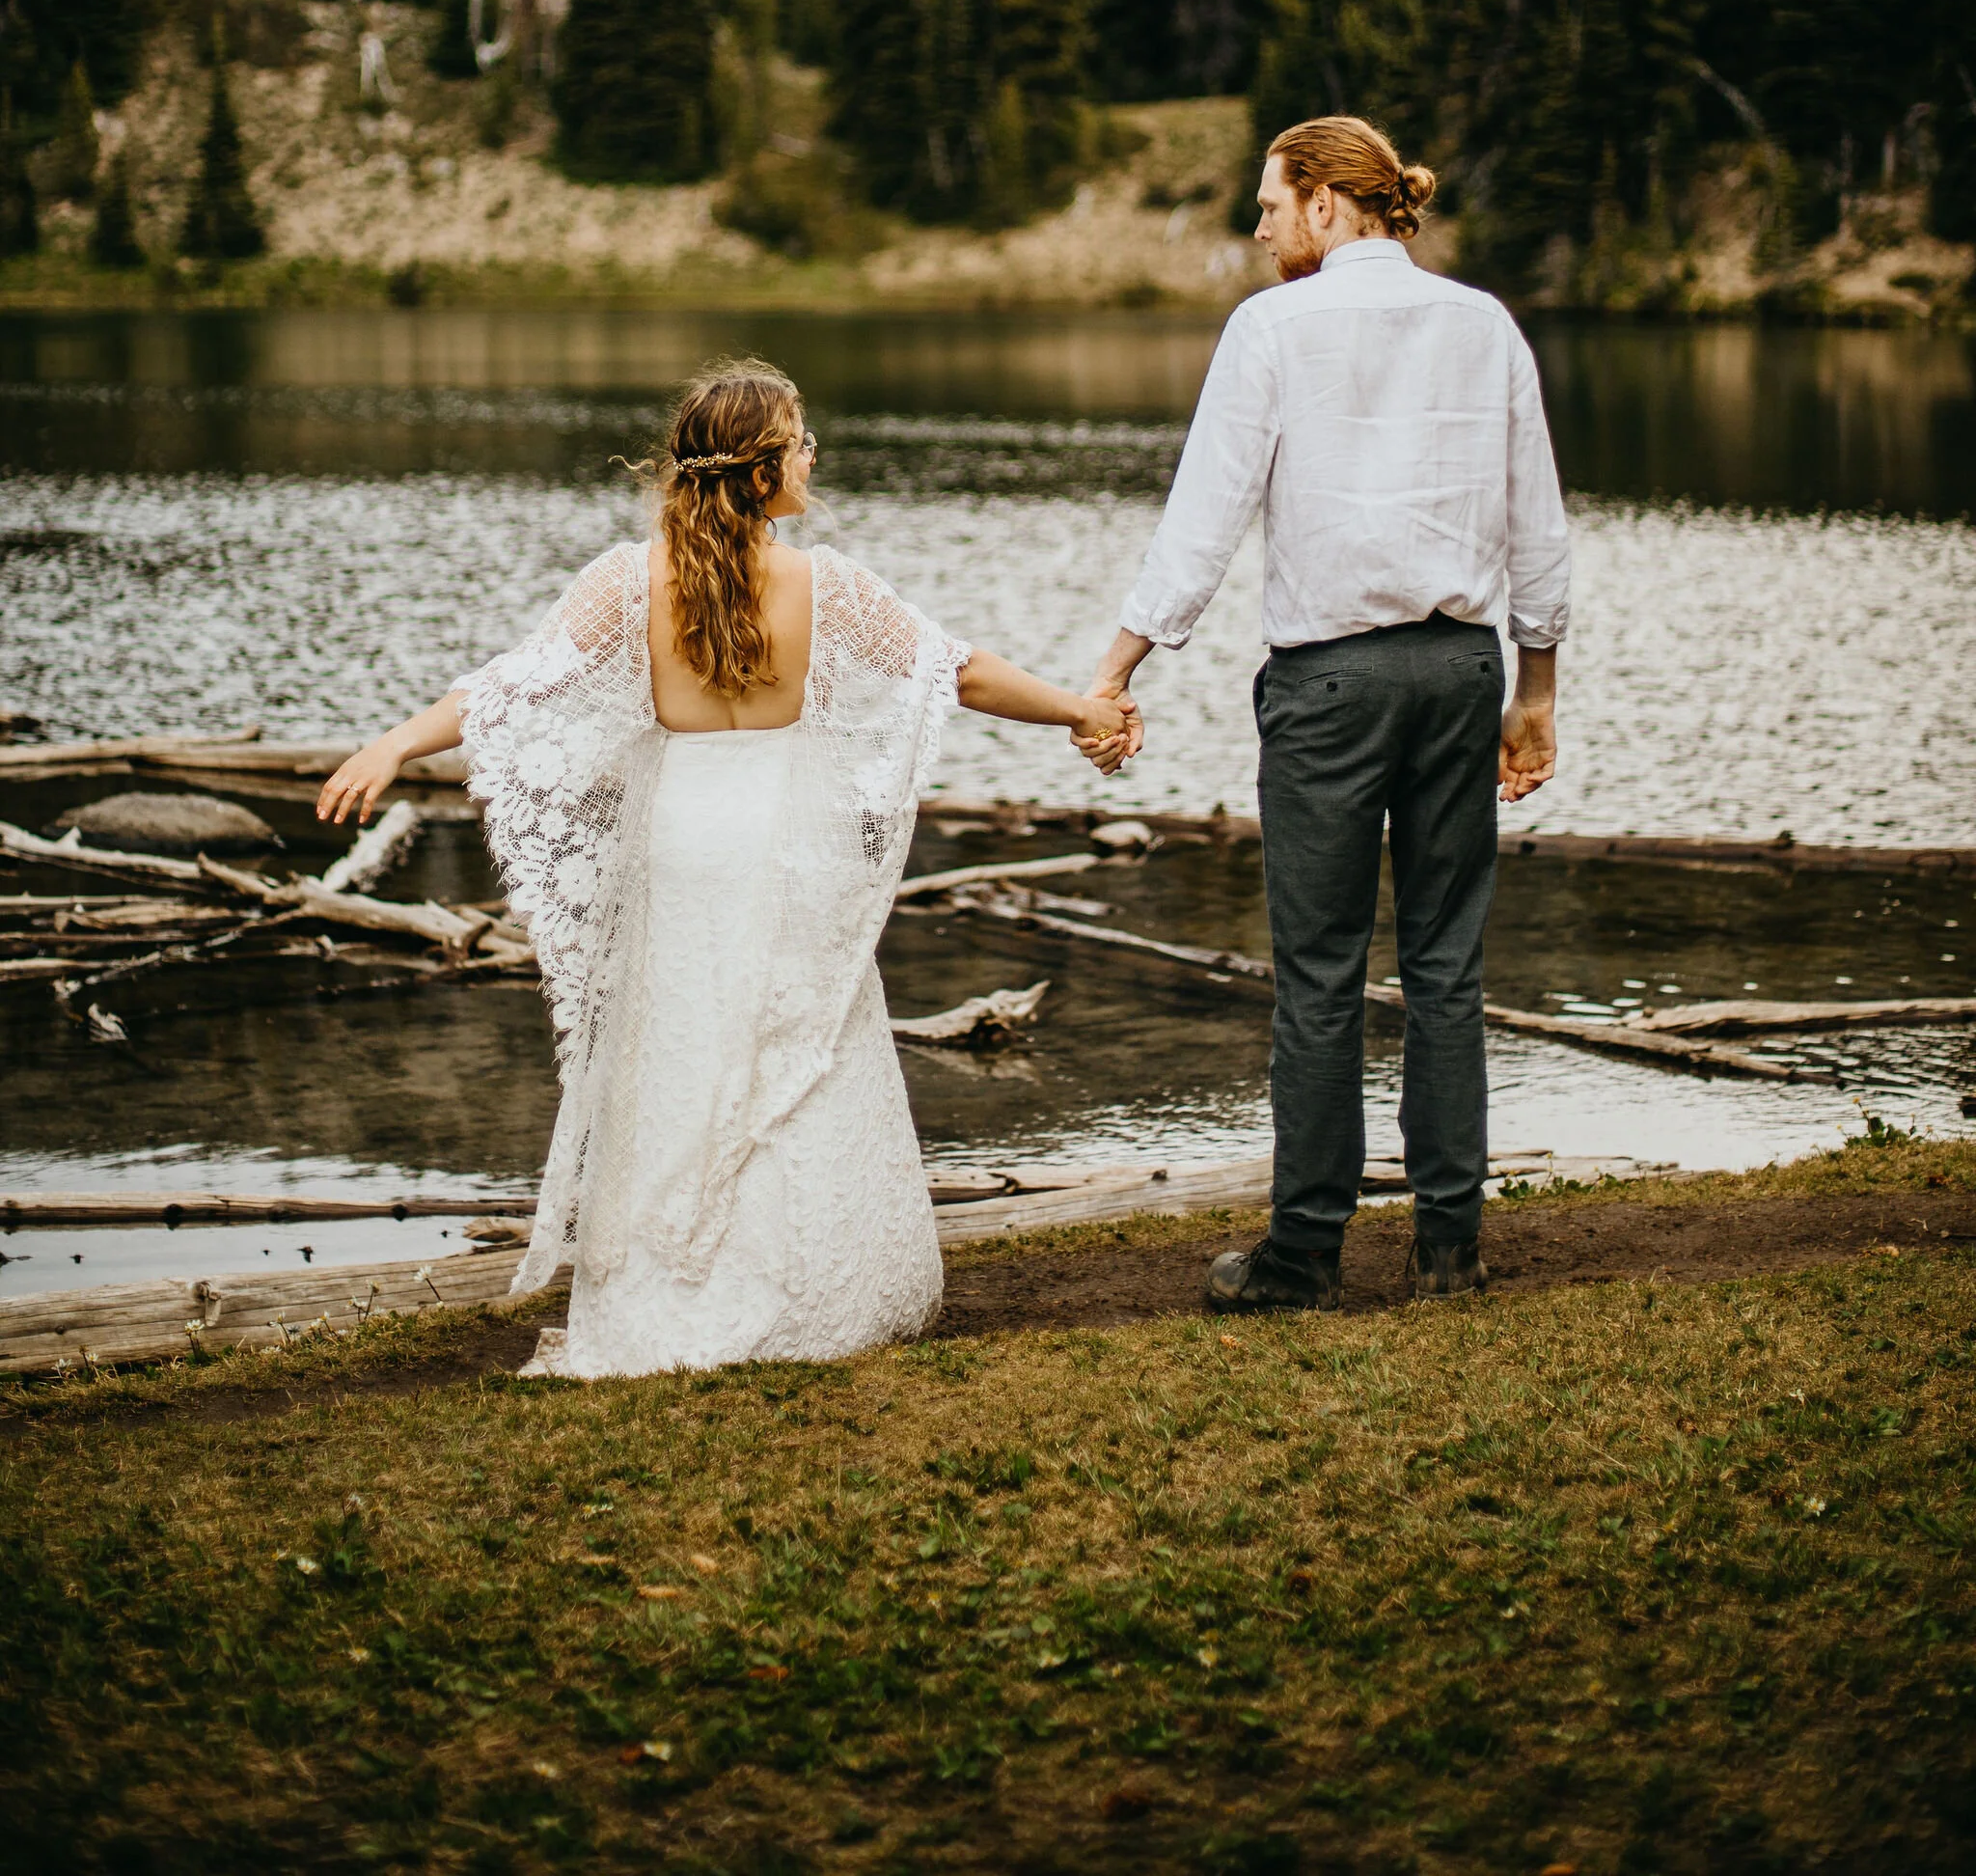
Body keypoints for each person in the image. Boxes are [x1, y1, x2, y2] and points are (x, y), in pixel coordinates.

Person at [318, 361, 1137, 1376]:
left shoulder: (626, 581)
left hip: (685, 839)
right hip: (783, 845)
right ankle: (810, 1295)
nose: (811, 456)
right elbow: (956, 672)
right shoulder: (821, 584)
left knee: (679, 1050)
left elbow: (513, 686)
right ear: (758, 474)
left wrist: (393, 744)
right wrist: (1082, 711)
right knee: (800, 1045)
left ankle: (667, 1293)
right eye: (797, 443)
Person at [1084, 115, 1571, 1312]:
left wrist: (1114, 670)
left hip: (1330, 689)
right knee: (1445, 965)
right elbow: (1537, 527)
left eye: (1267, 204)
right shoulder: (1484, 325)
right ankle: (1446, 1249)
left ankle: (1303, 1255)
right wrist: (1535, 692)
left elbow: (1202, 519)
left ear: (1325, 205)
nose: (1254, 228)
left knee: (1318, 975)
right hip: (1459, 671)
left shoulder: (1272, 328)